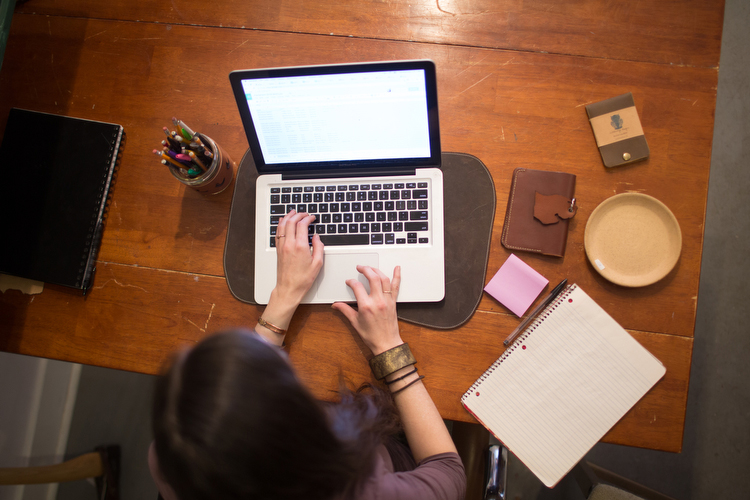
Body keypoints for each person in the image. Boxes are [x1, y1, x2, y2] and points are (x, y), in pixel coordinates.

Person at [148, 210, 466, 500]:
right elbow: (448, 472)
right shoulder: (364, 489)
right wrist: (390, 350)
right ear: (302, 425)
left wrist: (284, 296)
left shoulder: (174, 456)